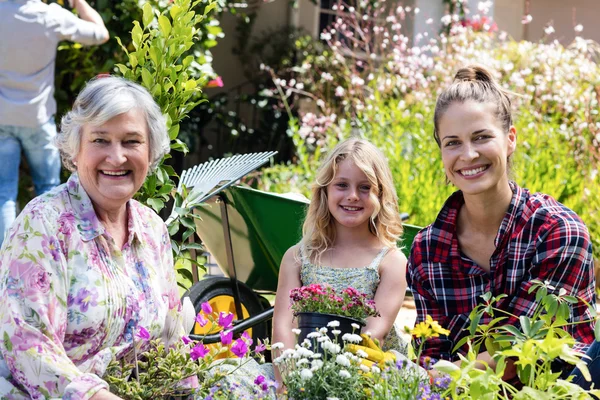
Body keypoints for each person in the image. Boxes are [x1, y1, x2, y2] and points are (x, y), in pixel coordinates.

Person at [406, 65, 596, 381]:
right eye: (452, 142)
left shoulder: (559, 233)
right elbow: (431, 352)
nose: (468, 154)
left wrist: (437, 379)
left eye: (481, 137)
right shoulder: (428, 250)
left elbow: (521, 349)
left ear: (510, 140)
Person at [0, 76, 182, 399]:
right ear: (76, 148)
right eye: (100, 140)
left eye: (131, 141)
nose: (116, 157)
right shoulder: (43, 225)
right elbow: (29, 346)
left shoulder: (153, 229)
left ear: (150, 149)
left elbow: (171, 335)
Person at [272, 137, 409, 389]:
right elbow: (284, 327)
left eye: (365, 188)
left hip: (366, 372)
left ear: (381, 194)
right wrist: (289, 385)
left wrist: (328, 386)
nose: (353, 196)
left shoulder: (390, 262)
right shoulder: (297, 258)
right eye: (342, 185)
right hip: (301, 371)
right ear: (324, 190)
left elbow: (372, 335)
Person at [0, 0, 109, 246]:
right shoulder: (50, 16)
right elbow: (100, 34)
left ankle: (6, 260)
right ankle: (49, 251)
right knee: (48, 189)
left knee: (3, 193)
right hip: (37, 119)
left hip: (2, 118)